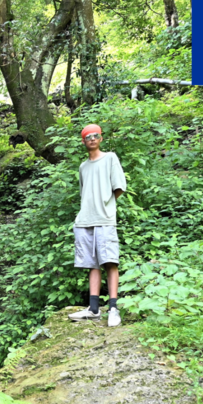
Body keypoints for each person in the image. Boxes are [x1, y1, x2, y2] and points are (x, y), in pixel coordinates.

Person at [68, 123, 127, 328]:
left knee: (110, 261)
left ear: (100, 138)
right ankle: (93, 309)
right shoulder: (83, 167)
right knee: (91, 263)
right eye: (87, 136)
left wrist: (106, 205)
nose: (92, 139)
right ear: (83, 141)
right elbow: (84, 192)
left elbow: (118, 187)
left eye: (95, 135)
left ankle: (113, 308)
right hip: (84, 220)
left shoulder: (110, 158)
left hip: (104, 219)